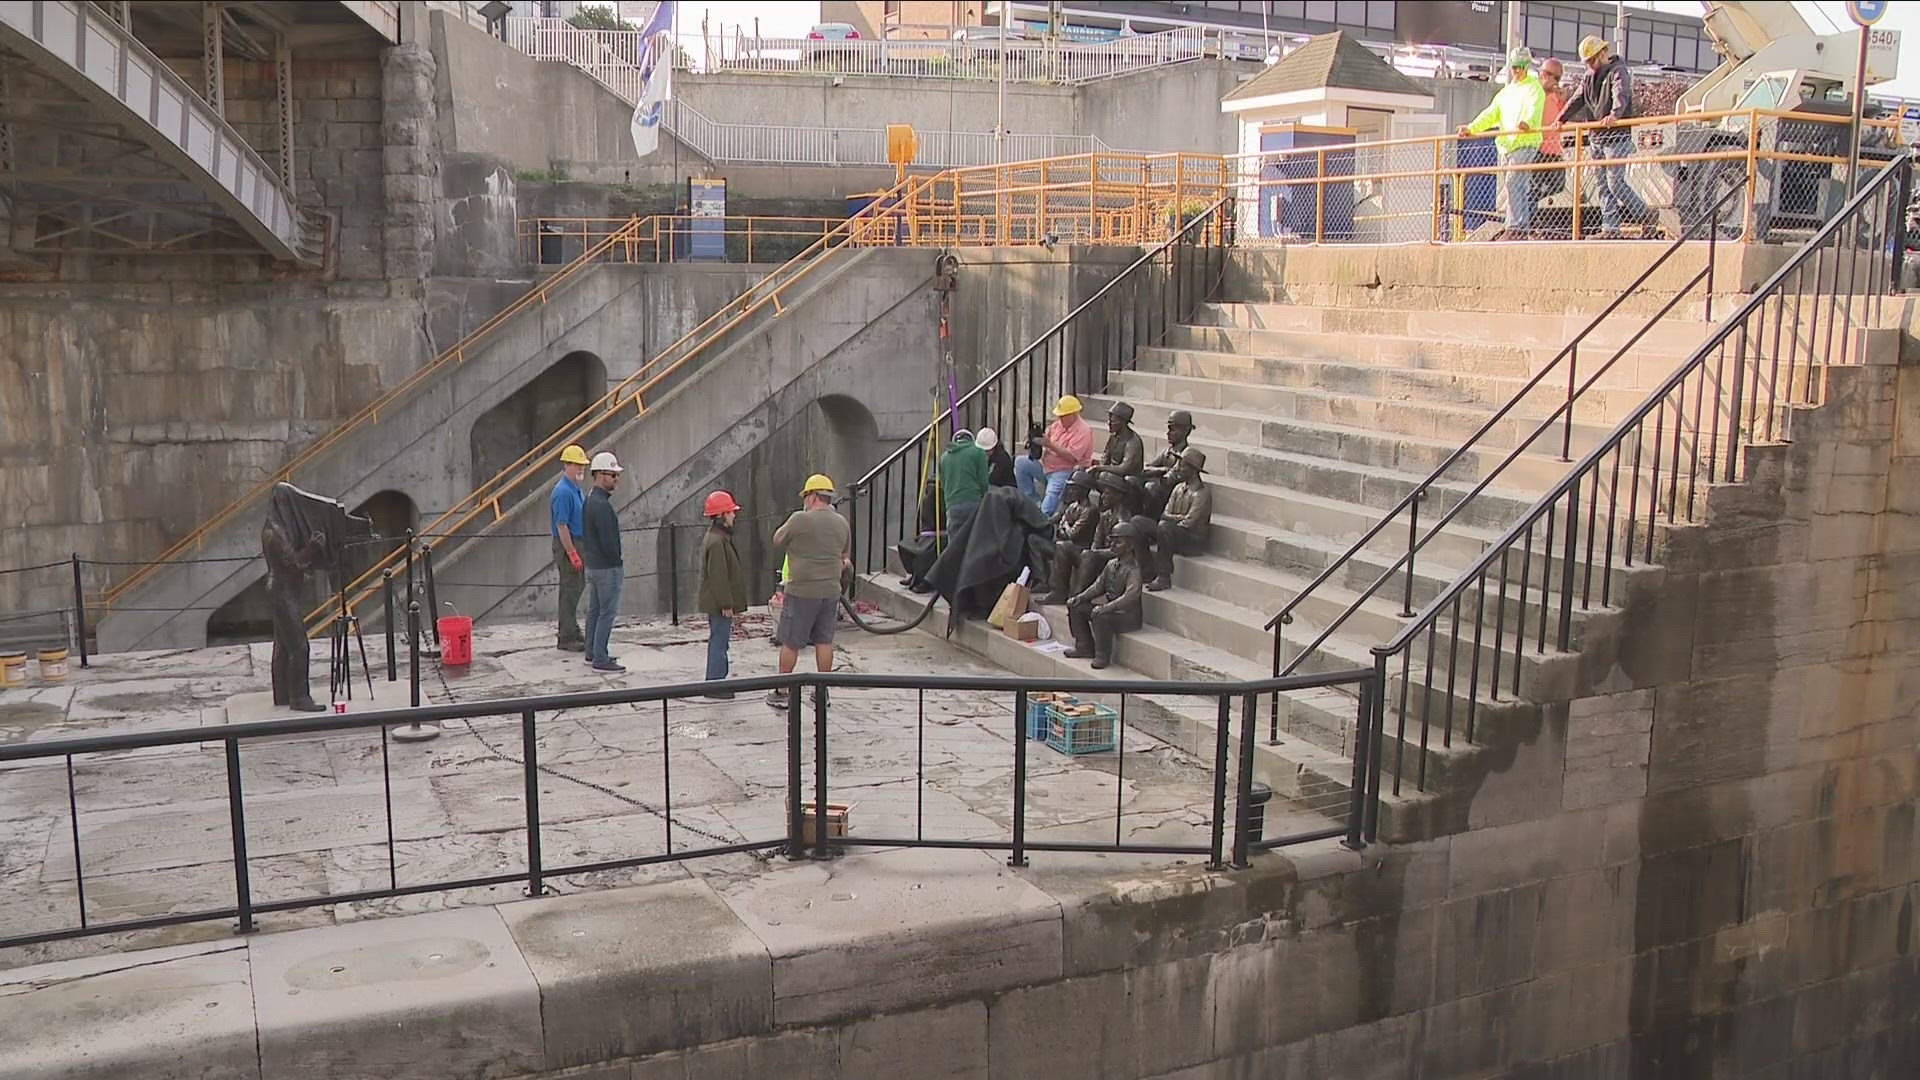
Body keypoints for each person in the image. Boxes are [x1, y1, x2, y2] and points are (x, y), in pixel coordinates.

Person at [767, 474, 850, 710]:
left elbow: (777, 539)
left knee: (791, 642)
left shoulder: (799, 519)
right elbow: (844, 557)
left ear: (813, 497)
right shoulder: (841, 523)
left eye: (806, 496)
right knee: (824, 641)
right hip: (830, 591)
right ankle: (822, 692)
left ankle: (782, 691)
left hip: (801, 591)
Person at [1560, 35, 1648, 238]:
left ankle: (1644, 214)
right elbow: (1578, 98)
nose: (1589, 65)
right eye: (1587, 62)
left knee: (1614, 183)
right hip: (1597, 138)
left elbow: (1621, 93)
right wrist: (1561, 119)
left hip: (1617, 137)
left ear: (1602, 54)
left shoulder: (1618, 71)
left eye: (1591, 60)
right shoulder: (1588, 77)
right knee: (1602, 186)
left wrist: (1615, 114)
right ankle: (1610, 228)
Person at [1458, 47, 1546, 240]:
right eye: (1515, 67)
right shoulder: (1506, 93)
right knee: (1515, 185)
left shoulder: (1534, 88)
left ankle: (1517, 226)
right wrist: (1472, 128)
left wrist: (1528, 123)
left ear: (1527, 67)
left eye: (1521, 67)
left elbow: (1534, 109)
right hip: (1507, 145)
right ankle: (1515, 225)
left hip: (1526, 142)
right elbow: (1490, 115)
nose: (1518, 70)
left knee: (1514, 181)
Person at [262, 486, 329, 712]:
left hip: (282, 590)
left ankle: (281, 693)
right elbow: (294, 562)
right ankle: (299, 697)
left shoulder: (277, 527)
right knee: (299, 646)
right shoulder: (276, 532)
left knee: (283, 645)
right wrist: (312, 548)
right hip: (282, 592)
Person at [1066, 520, 1144, 670]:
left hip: (1128, 616)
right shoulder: (1111, 564)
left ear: (1130, 546)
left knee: (1101, 617)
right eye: (1112, 541)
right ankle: (1084, 645)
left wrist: (1107, 607)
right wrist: (1080, 597)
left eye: (1118, 542)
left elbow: (1130, 596)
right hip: (1111, 609)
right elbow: (1097, 587)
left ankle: (1102, 655)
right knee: (1077, 607)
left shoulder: (1133, 570)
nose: (1113, 545)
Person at [697, 490, 749, 700]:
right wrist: (727, 604)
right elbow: (719, 577)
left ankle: (718, 680)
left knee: (719, 640)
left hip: (716, 602)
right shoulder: (717, 542)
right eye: (730, 512)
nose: (734, 516)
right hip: (718, 604)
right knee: (719, 642)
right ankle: (715, 684)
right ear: (721, 515)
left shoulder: (717, 538)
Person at [580, 451, 626, 673]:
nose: (616, 479)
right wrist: (616, 561)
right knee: (606, 612)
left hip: (595, 565)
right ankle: (600, 657)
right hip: (607, 568)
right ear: (600, 475)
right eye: (613, 475)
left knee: (595, 611)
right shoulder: (601, 505)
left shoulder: (591, 500)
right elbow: (609, 541)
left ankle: (592, 651)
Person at [1014, 395, 1095, 515]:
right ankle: (1033, 501)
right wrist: (1036, 441)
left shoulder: (1083, 431)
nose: (1060, 419)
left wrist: (1050, 445)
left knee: (1053, 491)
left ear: (1073, 414)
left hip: (1065, 470)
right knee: (1020, 463)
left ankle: (1043, 517)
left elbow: (1072, 457)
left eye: (1063, 416)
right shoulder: (1057, 425)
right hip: (1046, 466)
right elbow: (1047, 436)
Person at [1147, 449, 1212, 592]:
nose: (1177, 468)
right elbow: (1164, 513)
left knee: (1164, 527)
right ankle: (1145, 569)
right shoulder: (1178, 488)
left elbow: (1189, 523)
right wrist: (1176, 518)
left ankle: (1164, 577)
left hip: (1193, 540)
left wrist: (1172, 519)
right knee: (1138, 523)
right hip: (1174, 532)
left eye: (1182, 465)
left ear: (1192, 469)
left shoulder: (1202, 493)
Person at [1033, 468, 1098, 605]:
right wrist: (1066, 528)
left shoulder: (1090, 510)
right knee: (1036, 540)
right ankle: (1045, 582)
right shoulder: (1072, 506)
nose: (1071, 491)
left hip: (1081, 550)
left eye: (1075, 488)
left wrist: (1066, 526)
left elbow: (1071, 534)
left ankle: (1059, 591)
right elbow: (1061, 530)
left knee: (1062, 546)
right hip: (1067, 546)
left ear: (1084, 490)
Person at [549, 444, 590, 653]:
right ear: (567, 465)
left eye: (582, 465)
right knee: (570, 589)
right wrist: (571, 552)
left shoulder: (575, 489)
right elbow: (561, 525)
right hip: (568, 543)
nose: (581, 469)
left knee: (577, 586)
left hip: (577, 541)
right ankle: (566, 636)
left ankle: (571, 629)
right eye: (577, 465)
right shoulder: (563, 492)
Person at [1142, 410, 1196, 518]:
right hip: (1162, 492)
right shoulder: (1167, 452)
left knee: (1152, 487)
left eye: (1172, 429)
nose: (1168, 433)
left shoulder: (1186, 455)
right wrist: (1162, 470)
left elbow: (1169, 480)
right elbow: (1145, 469)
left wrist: (1158, 473)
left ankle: (1151, 520)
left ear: (1185, 431)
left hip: (1174, 496)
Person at [1535, 57, 1569, 229]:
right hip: (1539, 150)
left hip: (1554, 150)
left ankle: (1536, 210)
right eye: (1551, 76)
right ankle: (1531, 221)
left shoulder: (1556, 97)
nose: (1554, 82)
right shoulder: (1535, 93)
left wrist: (1563, 100)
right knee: (1533, 188)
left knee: (1558, 184)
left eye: (1558, 78)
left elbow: (1561, 119)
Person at [937, 428, 990, 538]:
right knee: (975, 542)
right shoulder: (978, 452)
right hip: (973, 502)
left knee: (954, 545)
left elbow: (943, 484)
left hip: (952, 505)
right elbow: (983, 482)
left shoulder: (943, 458)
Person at [1091, 401, 1144, 483]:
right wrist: (1098, 465)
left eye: (1113, 421)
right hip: (1111, 474)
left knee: (1104, 476)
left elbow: (1124, 469)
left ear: (1123, 422)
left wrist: (1100, 468)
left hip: (1128, 480)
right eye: (1109, 420)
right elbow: (1105, 457)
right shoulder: (1113, 437)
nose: (1109, 423)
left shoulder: (1132, 441)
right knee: (1080, 471)